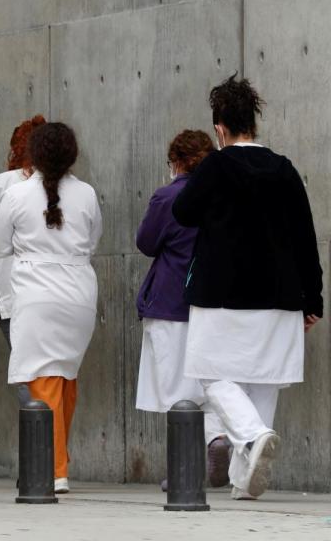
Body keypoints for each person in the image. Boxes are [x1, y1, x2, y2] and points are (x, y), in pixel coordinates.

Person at [172, 75, 323, 500]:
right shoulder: (284, 168)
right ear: (252, 122)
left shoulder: (217, 166)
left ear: (220, 128)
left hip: (222, 294)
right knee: (263, 380)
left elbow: (183, 211)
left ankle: (254, 436)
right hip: (280, 296)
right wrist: (314, 300)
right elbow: (305, 238)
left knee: (209, 373)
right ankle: (244, 482)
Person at [0, 122, 101, 495]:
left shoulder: (16, 194)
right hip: (79, 292)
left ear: (34, 154)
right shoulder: (86, 193)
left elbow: (0, 244)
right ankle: (58, 461)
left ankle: (52, 469)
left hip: (36, 291)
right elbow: (94, 239)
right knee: (65, 377)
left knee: (41, 379)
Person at [135, 130, 231, 489]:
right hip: (216, 303)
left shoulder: (169, 196)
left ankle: (185, 471)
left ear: (175, 162)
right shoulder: (224, 197)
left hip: (171, 300)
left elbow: (146, 242)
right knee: (212, 383)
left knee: (177, 390)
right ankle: (217, 438)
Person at [0, 114, 46, 405]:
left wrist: (10, 246)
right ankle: (55, 445)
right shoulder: (71, 187)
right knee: (54, 375)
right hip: (59, 293)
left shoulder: (6, 183)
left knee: (27, 375)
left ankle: (42, 446)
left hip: (14, 295)